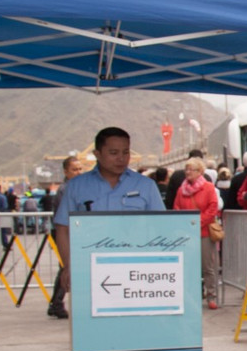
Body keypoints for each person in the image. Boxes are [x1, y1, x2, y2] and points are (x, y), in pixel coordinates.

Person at [52, 129, 167, 319]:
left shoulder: (145, 186)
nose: (121, 158)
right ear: (97, 154)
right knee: (92, 328)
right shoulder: (76, 187)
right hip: (90, 271)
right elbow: (63, 229)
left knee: (136, 327)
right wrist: (68, 265)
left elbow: (161, 227)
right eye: (114, 153)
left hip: (136, 275)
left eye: (126, 152)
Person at [173, 156, 222, 310]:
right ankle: (193, 295)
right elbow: (177, 207)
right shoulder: (181, 190)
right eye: (186, 169)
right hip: (187, 233)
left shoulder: (208, 188)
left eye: (191, 169)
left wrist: (197, 222)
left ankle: (211, 296)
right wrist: (186, 224)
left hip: (205, 232)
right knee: (190, 266)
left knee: (208, 266)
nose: (188, 172)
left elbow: (212, 208)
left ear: (200, 171)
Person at [47, 155, 84, 319]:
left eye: (80, 169)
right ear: (66, 172)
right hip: (67, 234)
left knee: (67, 267)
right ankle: (56, 303)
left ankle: (56, 302)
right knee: (67, 267)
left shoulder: (77, 188)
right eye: (74, 170)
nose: (78, 172)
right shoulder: (66, 190)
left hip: (75, 233)